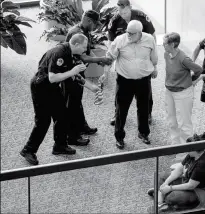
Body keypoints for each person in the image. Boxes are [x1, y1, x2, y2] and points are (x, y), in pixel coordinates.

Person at [20, 34, 94, 165]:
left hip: (53, 88)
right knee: (43, 121)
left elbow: (74, 75)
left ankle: (60, 146)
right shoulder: (60, 53)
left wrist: (91, 87)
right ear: (76, 45)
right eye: (84, 46)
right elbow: (52, 77)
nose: (85, 48)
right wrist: (73, 71)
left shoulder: (70, 53)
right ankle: (28, 150)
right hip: (41, 87)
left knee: (62, 115)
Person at [105, 20, 158, 149]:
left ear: (140, 33)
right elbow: (110, 56)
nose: (128, 35)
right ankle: (119, 137)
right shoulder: (120, 40)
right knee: (121, 110)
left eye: (132, 33)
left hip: (144, 80)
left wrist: (154, 67)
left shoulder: (149, 39)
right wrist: (105, 73)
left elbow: (154, 57)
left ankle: (143, 133)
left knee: (144, 108)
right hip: (124, 81)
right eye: (127, 32)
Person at [64, 10, 112, 146]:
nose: (96, 27)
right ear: (89, 21)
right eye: (95, 24)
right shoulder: (76, 33)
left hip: (79, 71)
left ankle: (81, 126)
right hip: (72, 73)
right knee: (72, 104)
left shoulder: (84, 31)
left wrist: (98, 61)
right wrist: (101, 58)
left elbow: (87, 53)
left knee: (77, 102)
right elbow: (82, 56)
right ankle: (72, 137)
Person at [107, 0, 156, 126]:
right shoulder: (115, 20)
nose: (122, 14)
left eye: (124, 11)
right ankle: (116, 112)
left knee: (146, 90)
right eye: (120, 11)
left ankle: (148, 114)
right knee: (120, 92)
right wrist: (111, 58)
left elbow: (153, 37)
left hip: (143, 57)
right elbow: (111, 40)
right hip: (124, 57)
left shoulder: (142, 17)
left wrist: (153, 64)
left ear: (130, 7)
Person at [146, 137, 205, 213]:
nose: (186, 149)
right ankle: (161, 201)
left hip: (202, 193)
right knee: (160, 176)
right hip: (188, 181)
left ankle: (163, 196)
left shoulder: (202, 164)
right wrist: (166, 183)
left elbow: (191, 185)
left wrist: (170, 188)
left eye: (188, 147)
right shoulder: (192, 155)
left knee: (172, 197)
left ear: (194, 149)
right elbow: (179, 170)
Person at [163, 32, 203, 145]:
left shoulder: (183, 58)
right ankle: (175, 145)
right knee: (172, 120)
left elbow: (198, 70)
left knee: (184, 123)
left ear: (173, 44)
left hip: (183, 93)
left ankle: (186, 149)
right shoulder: (166, 54)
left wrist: (191, 80)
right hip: (169, 91)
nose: (163, 45)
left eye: (165, 43)